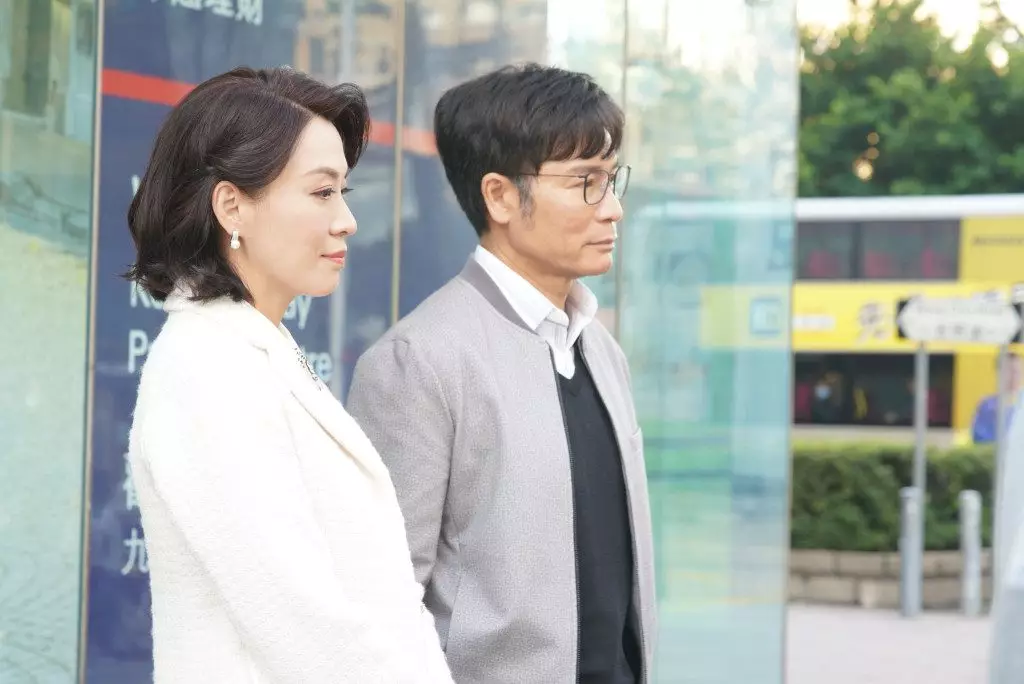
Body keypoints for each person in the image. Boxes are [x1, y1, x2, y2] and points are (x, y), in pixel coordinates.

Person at [125, 66, 452, 684]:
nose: (346, 220)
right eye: (322, 192)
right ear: (232, 206)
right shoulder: (209, 370)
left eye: (343, 192)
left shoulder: (251, 350)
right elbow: (304, 628)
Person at [348, 63, 656, 684]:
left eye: (611, 178)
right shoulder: (417, 362)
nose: (614, 208)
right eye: (586, 182)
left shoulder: (601, 349)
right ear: (500, 196)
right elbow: (380, 603)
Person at [972, 353, 1022, 444]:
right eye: (1010, 371)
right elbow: (980, 439)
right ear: (999, 372)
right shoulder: (987, 406)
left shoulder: (1021, 404)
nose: (1014, 376)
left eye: (1018, 371)